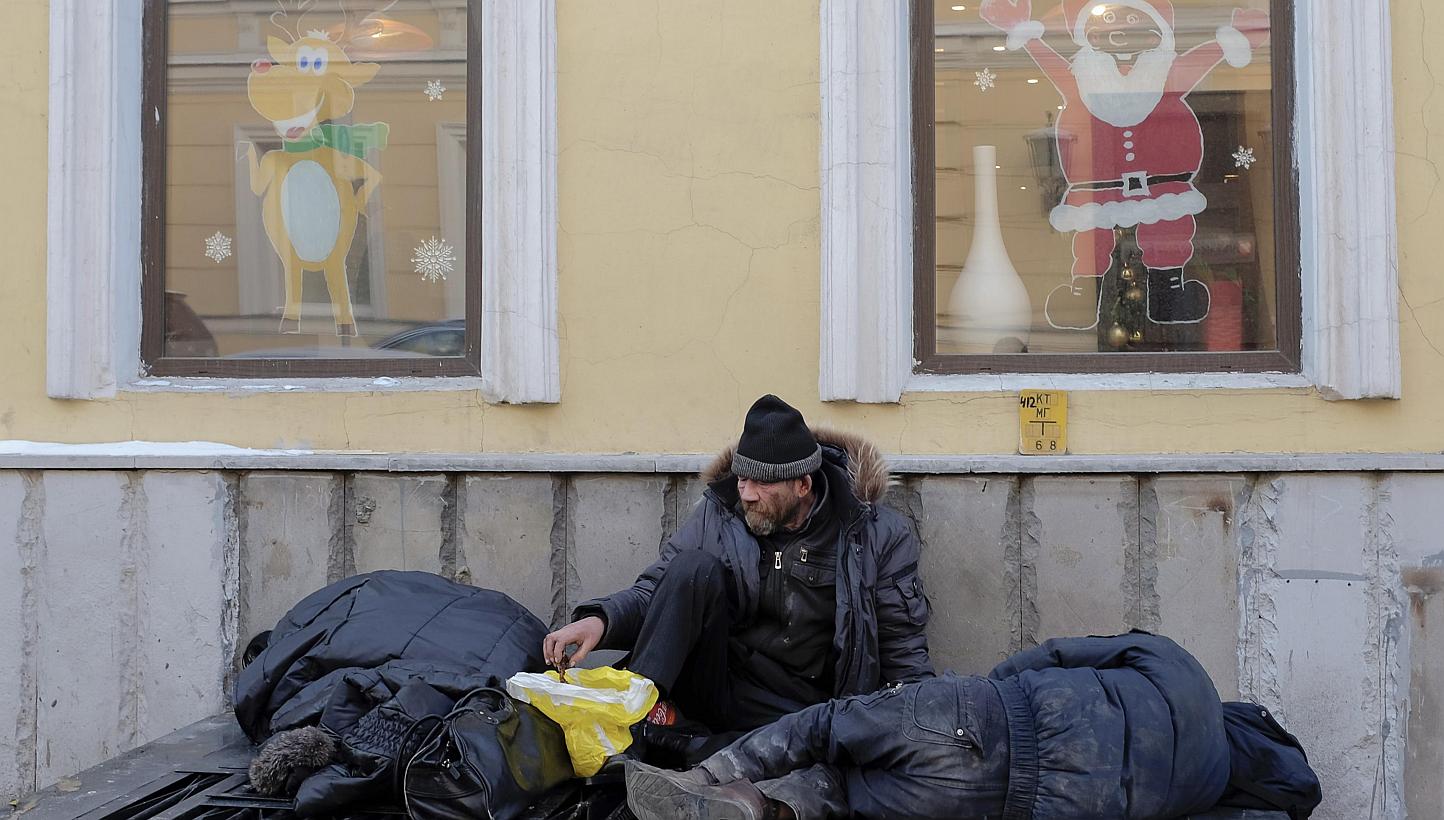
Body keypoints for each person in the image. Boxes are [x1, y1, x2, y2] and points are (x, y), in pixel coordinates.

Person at [543, 395, 933, 775]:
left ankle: (685, 747)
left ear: (802, 485)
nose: (745, 492)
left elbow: (902, 651)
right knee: (691, 568)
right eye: (742, 477)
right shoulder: (723, 511)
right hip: (721, 679)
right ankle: (641, 725)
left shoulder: (875, 535)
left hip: (803, 705)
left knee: (808, 748)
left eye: (761, 483)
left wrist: (926, 725)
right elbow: (660, 589)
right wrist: (601, 620)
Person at [625, 632, 1234, 820]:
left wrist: (995, 688)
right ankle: (767, 812)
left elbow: (1057, 654)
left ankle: (713, 776)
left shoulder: (1182, 668)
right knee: (847, 793)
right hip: (1001, 805)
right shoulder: (1200, 791)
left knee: (828, 730)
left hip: (992, 715)